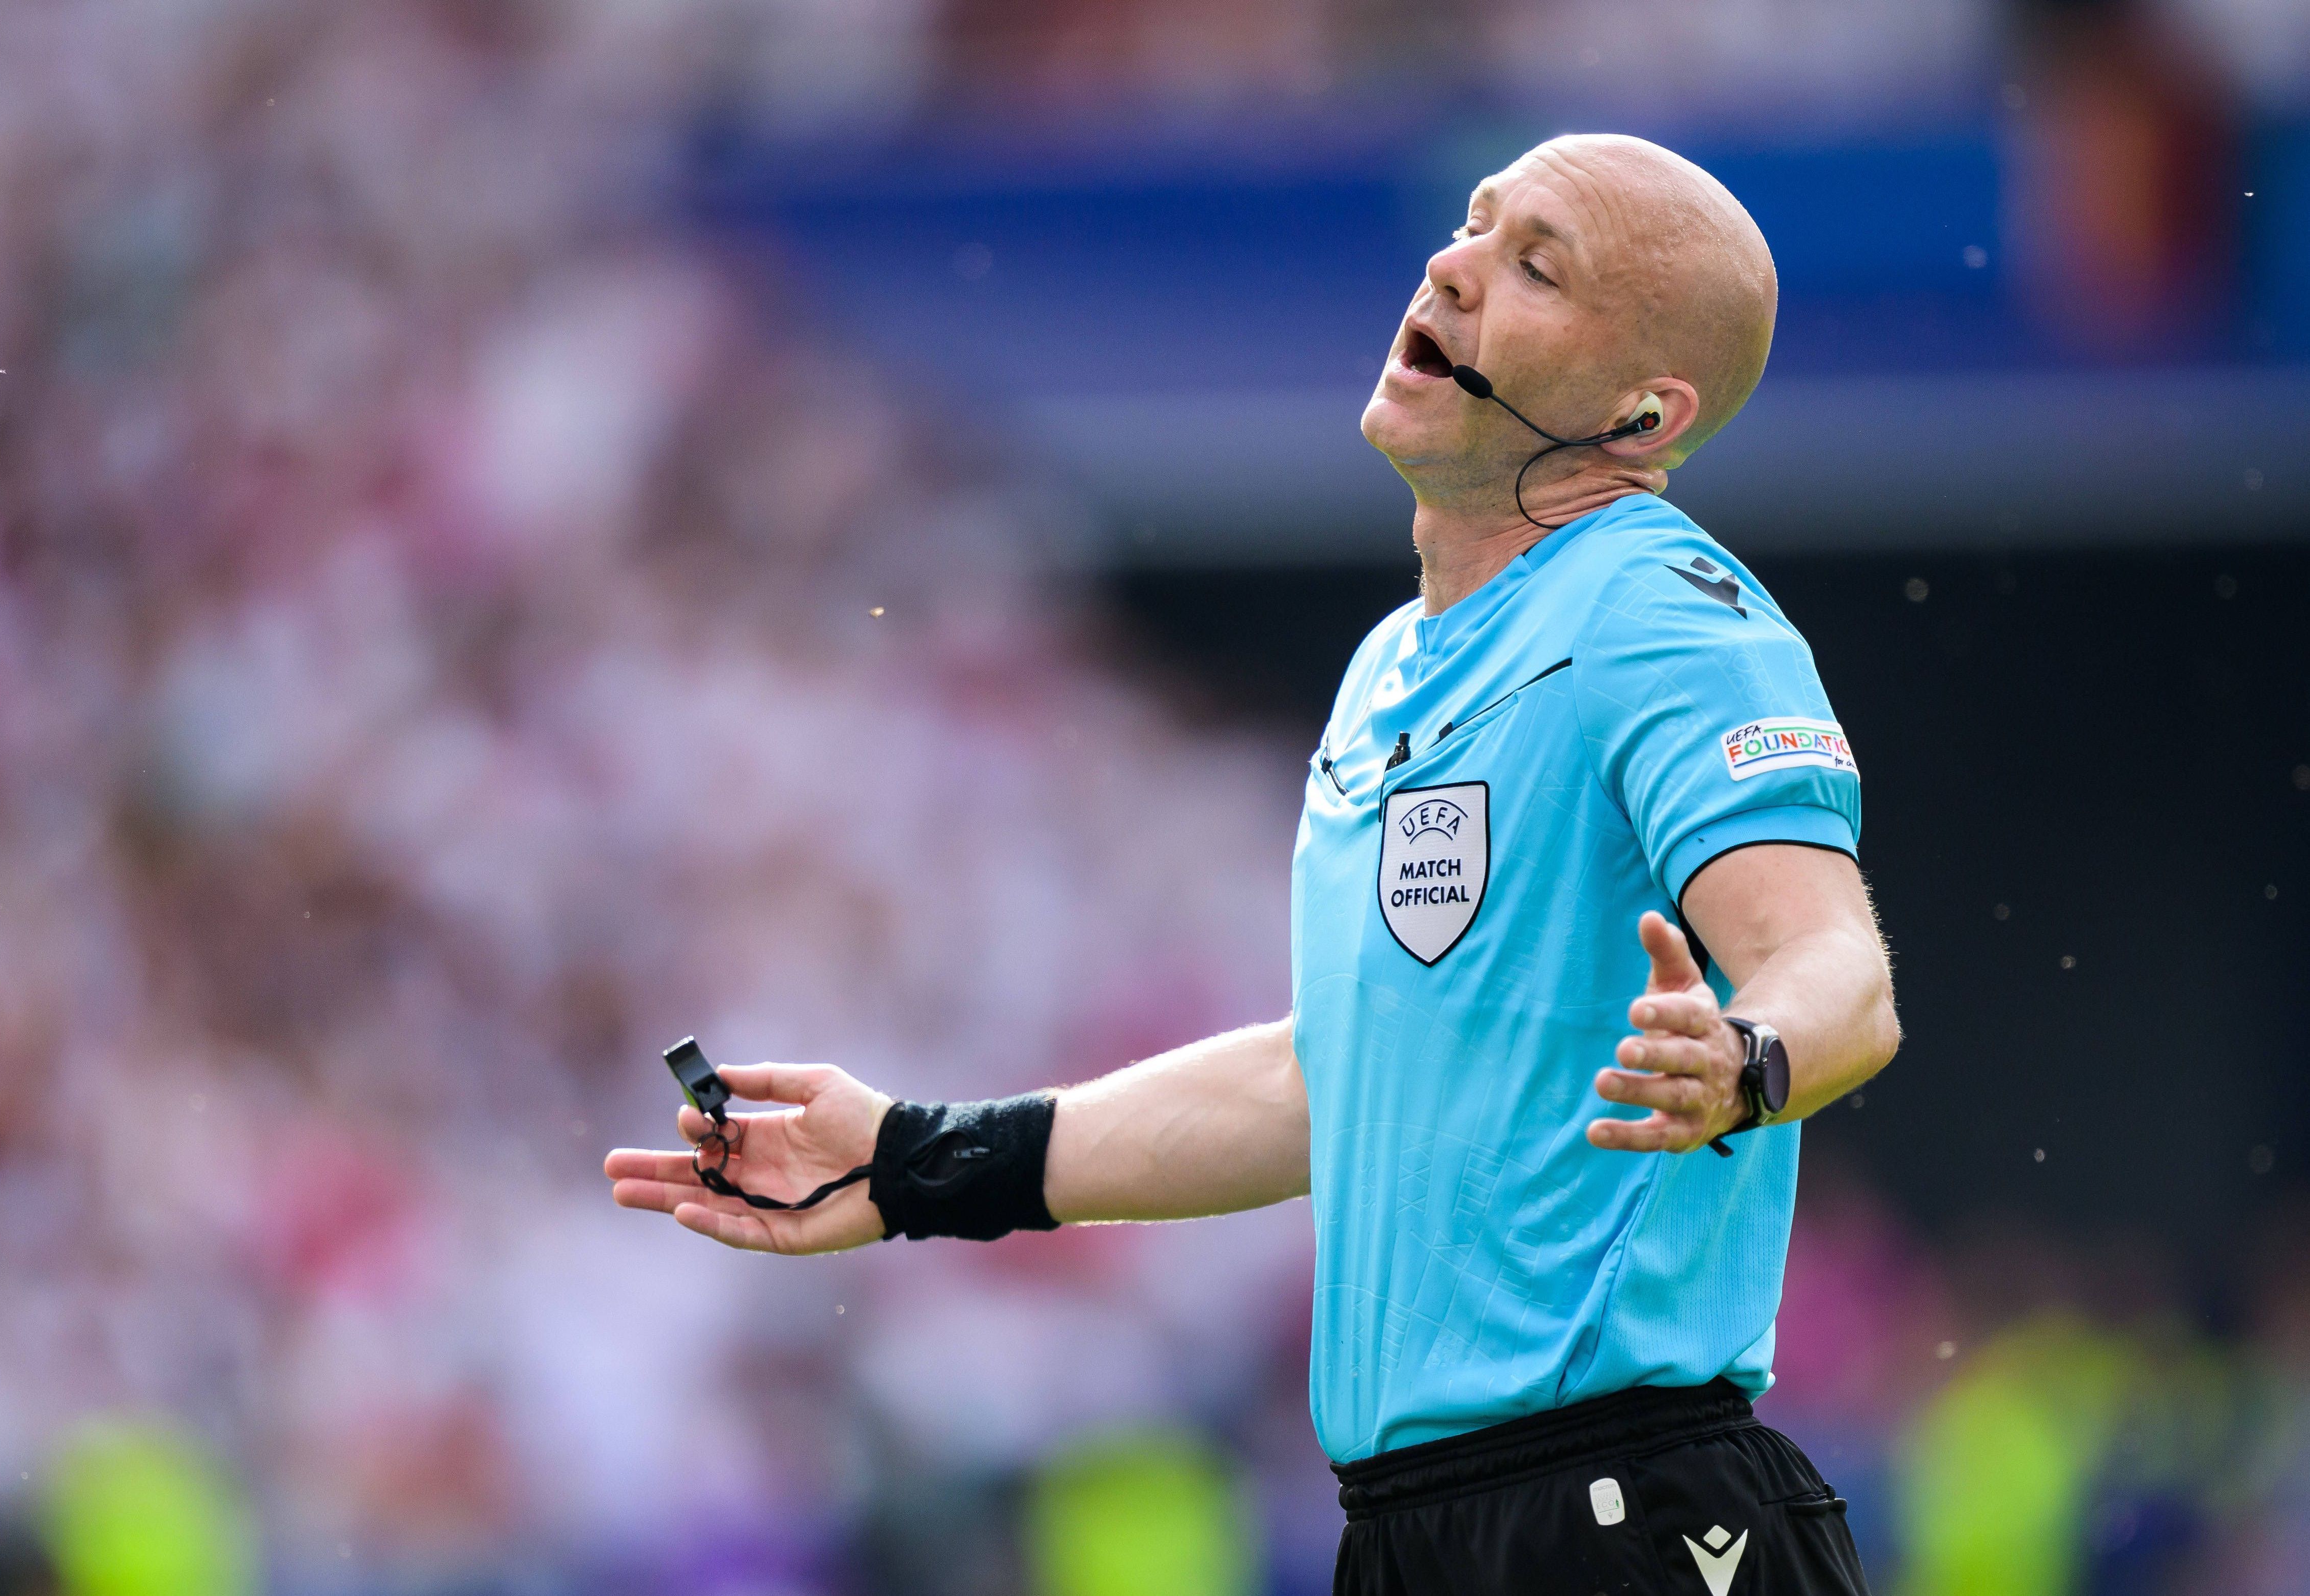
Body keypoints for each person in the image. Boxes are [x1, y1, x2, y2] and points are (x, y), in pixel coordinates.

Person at [605, 133, 1899, 1595]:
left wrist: (1744, 1058)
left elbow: (1836, 970)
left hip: (1625, 1515)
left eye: (1536, 264)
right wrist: (920, 1158)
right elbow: (1322, 1083)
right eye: (1474, 228)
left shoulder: (1667, 611)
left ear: (1637, 409)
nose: (1453, 268)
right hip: (1411, 1532)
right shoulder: (1392, 667)